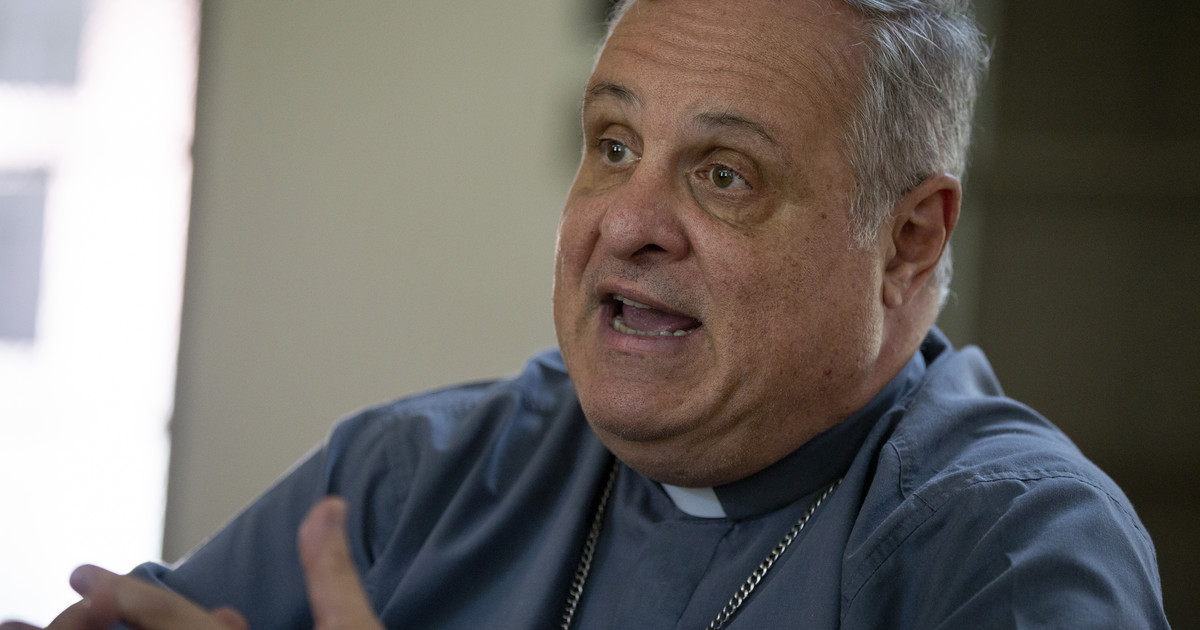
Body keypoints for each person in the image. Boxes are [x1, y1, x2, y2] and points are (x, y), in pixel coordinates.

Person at [4, 0, 1170, 628]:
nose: (627, 221)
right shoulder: (416, 478)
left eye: (725, 173)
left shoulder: (1011, 551)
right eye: (613, 146)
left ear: (908, 241)